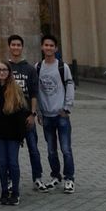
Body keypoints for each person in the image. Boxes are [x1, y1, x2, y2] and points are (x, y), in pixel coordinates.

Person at [7, 34, 47, 191]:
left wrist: (33, 114)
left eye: (18, 45)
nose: (16, 47)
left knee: (33, 149)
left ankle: (37, 178)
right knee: (12, 151)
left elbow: (34, 93)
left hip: (26, 115)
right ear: (9, 47)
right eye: (13, 45)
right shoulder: (6, 67)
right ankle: (10, 179)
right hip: (10, 116)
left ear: (22, 47)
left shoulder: (29, 68)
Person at [36, 34, 76, 194]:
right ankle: (55, 176)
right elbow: (36, 90)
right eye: (46, 45)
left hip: (61, 115)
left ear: (56, 48)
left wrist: (67, 108)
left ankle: (69, 178)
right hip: (46, 115)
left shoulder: (62, 67)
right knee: (51, 150)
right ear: (42, 47)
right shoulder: (38, 67)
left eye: (51, 45)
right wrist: (38, 111)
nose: (49, 48)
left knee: (66, 149)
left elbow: (70, 85)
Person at [0, 61, 27, 206]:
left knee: (13, 163)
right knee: (2, 163)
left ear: (9, 71)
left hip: (13, 133)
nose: (1, 72)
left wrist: (21, 135)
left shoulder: (15, 88)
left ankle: (15, 193)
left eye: (4, 69)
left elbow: (21, 113)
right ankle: (4, 191)